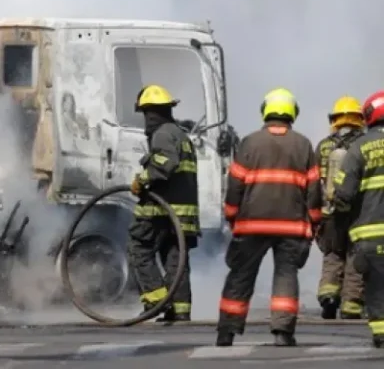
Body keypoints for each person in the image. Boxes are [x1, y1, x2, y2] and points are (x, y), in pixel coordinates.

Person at [216, 88, 321, 347]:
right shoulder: (303, 144)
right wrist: (314, 222)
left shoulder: (249, 143)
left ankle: (226, 331)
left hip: (251, 225)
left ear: (266, 111)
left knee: (240, 275)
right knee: (286, 276)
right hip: (291, 227)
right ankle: (283, 332)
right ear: (292, 113)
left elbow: (235, 186)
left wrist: (232, 217)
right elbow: (314, 190)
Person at [127, 84, 200, 322]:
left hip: (161, 212)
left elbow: (164, 163)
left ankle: (156, 301)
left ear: (150, 112)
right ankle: (179, 311)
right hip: (182, 215)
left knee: (139, 248)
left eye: (146, 113)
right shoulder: (180, 134)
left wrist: (142, 180)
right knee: (175, 261)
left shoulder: (162, 134)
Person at [332, 90, 384, 347]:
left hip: (370, 235)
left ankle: (381, 333)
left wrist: (340, 221)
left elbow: (343, 193)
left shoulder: (359, 148)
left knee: (376, 286)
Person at [315, 96, 365, 319]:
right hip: (358, 212)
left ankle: (328, 296)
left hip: (329, 213)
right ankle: (351, 305)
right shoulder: (364, 143)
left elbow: (315, 180)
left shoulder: (324, 146)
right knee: (354, 256)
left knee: (332, 255)